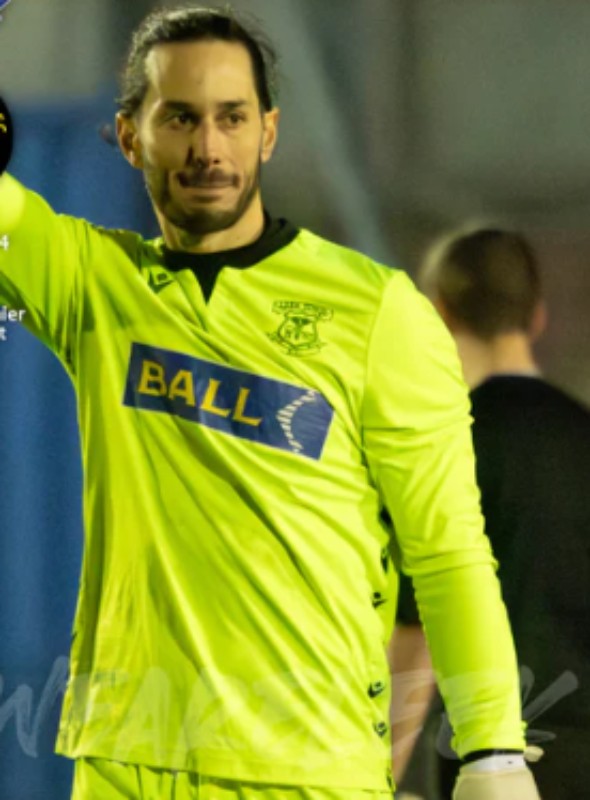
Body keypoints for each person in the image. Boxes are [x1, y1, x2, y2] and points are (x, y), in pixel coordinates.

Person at [0, 7, 542, 800]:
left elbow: (448, 550)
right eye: (179, 118)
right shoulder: (92, 286)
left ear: (269, 132)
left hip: (304, 773)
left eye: (232, 117)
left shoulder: (377, 312)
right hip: (124, 766)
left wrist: (493, 752)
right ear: (129, 137)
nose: (209, 147)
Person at [393, 227, 590, 799]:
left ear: (439, 312)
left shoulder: (445, 445)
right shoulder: (582, 434)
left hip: (488, 757)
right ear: (537, 317)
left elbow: (420, 625)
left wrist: (376, 772)